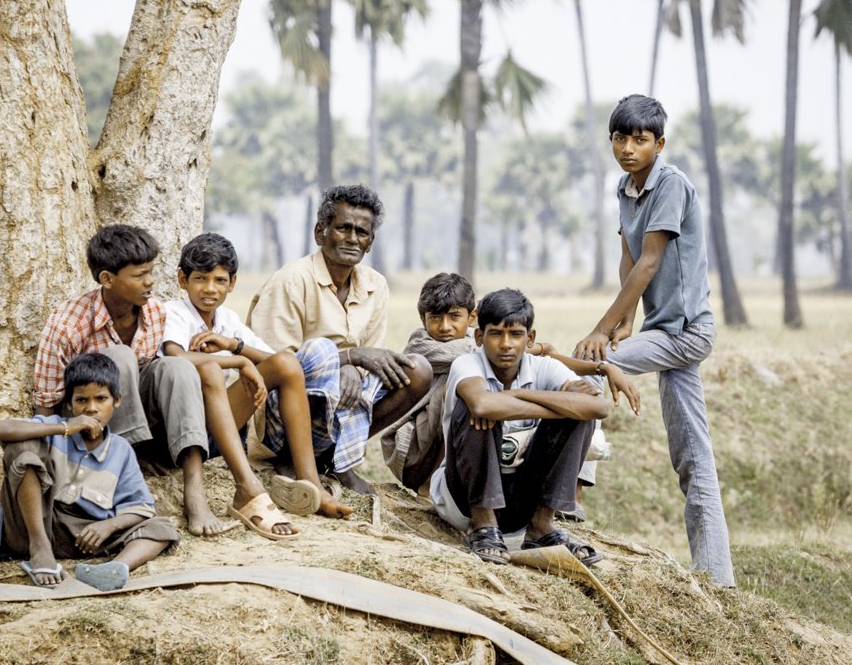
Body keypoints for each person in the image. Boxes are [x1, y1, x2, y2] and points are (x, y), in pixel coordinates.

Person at [573, 94, 735, 587]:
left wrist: (603, 331)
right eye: (620, 138)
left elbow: (650, 262)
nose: (628, 148)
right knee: (693, 456)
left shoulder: (671, 184)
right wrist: (624, 323)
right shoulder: (626, 188)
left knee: (587, 369)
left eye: (640, 140)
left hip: (686, 332)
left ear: (659, 144)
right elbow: (628, 256)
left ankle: (570, 498)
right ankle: (717, 576)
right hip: (660, 328)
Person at [32, 224, 278, 539]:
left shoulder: (156, 314)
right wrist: (52, 461)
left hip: (146, 422)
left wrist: (238, 356)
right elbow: (47, 401)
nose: (150, 282)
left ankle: (194, 488)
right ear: (107, 279)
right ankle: (131, 459)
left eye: (151, 272)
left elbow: (164, 375)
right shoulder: (68, 322)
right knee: (118, 357)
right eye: (139, 276)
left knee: (176, 368)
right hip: (89, 425)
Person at [430, 288, 638, 566]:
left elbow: (598, 408)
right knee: (474, 410)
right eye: (496, 334)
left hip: (520, 502)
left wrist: (514, 396)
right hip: (464, 500)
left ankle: (540, 527)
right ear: (479, 337)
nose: (506, 344)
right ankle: (484, 526)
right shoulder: (467, 363)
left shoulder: (544, 367)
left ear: (530, 339)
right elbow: (482, 405)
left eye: (516, 335)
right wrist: (560, 402)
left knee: (578, 416)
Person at [247, 185, 433, 495]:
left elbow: (371, 355)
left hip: (338, 397)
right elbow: (272, 363)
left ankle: (334, 460)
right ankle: (291, 458)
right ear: (321, 232)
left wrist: (353, 365)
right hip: (280, 408)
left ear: (370, 242)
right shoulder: (292, 280)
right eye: (343, 228)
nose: (351, 238)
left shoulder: (375, 285)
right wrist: (346, 359)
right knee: (320, 351)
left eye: (361, 232)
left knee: (418, 370)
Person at [160, 232, 353, 528]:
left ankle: (310, 484)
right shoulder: (174, 313)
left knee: (287, 364)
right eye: (200, 279)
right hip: (181, 431)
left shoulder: (227, 320)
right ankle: (247, 490)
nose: (210, 289)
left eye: (220, 280)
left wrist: (233, 345)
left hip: (217, 425)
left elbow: (276, 361)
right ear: (182, 280)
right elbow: (175, 355)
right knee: (210, 369)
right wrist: (238, 362)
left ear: (232, 283)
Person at [0, 353, 179, 590]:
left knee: (160, 528)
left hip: (82, 538)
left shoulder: (121, 450)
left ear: (116, 400)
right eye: (81, 401)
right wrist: (65, 427)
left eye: (101, 399)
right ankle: (40, 548)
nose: (91, 409)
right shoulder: (56, 428)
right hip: (31, 527)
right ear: (69, 404)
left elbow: (141, 507)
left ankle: (114, 568)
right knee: (23, 447)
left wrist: (108, 526)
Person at [381, 272, 478, 495]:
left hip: (454, 446)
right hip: (416, 452)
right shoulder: (421, 344)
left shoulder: (478, 341)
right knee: (458, 388)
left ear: (471, 317)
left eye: (454, 317)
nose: (444, 327)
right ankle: (430, 486)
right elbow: (479, 354)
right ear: (423, 319)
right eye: (435, 317)